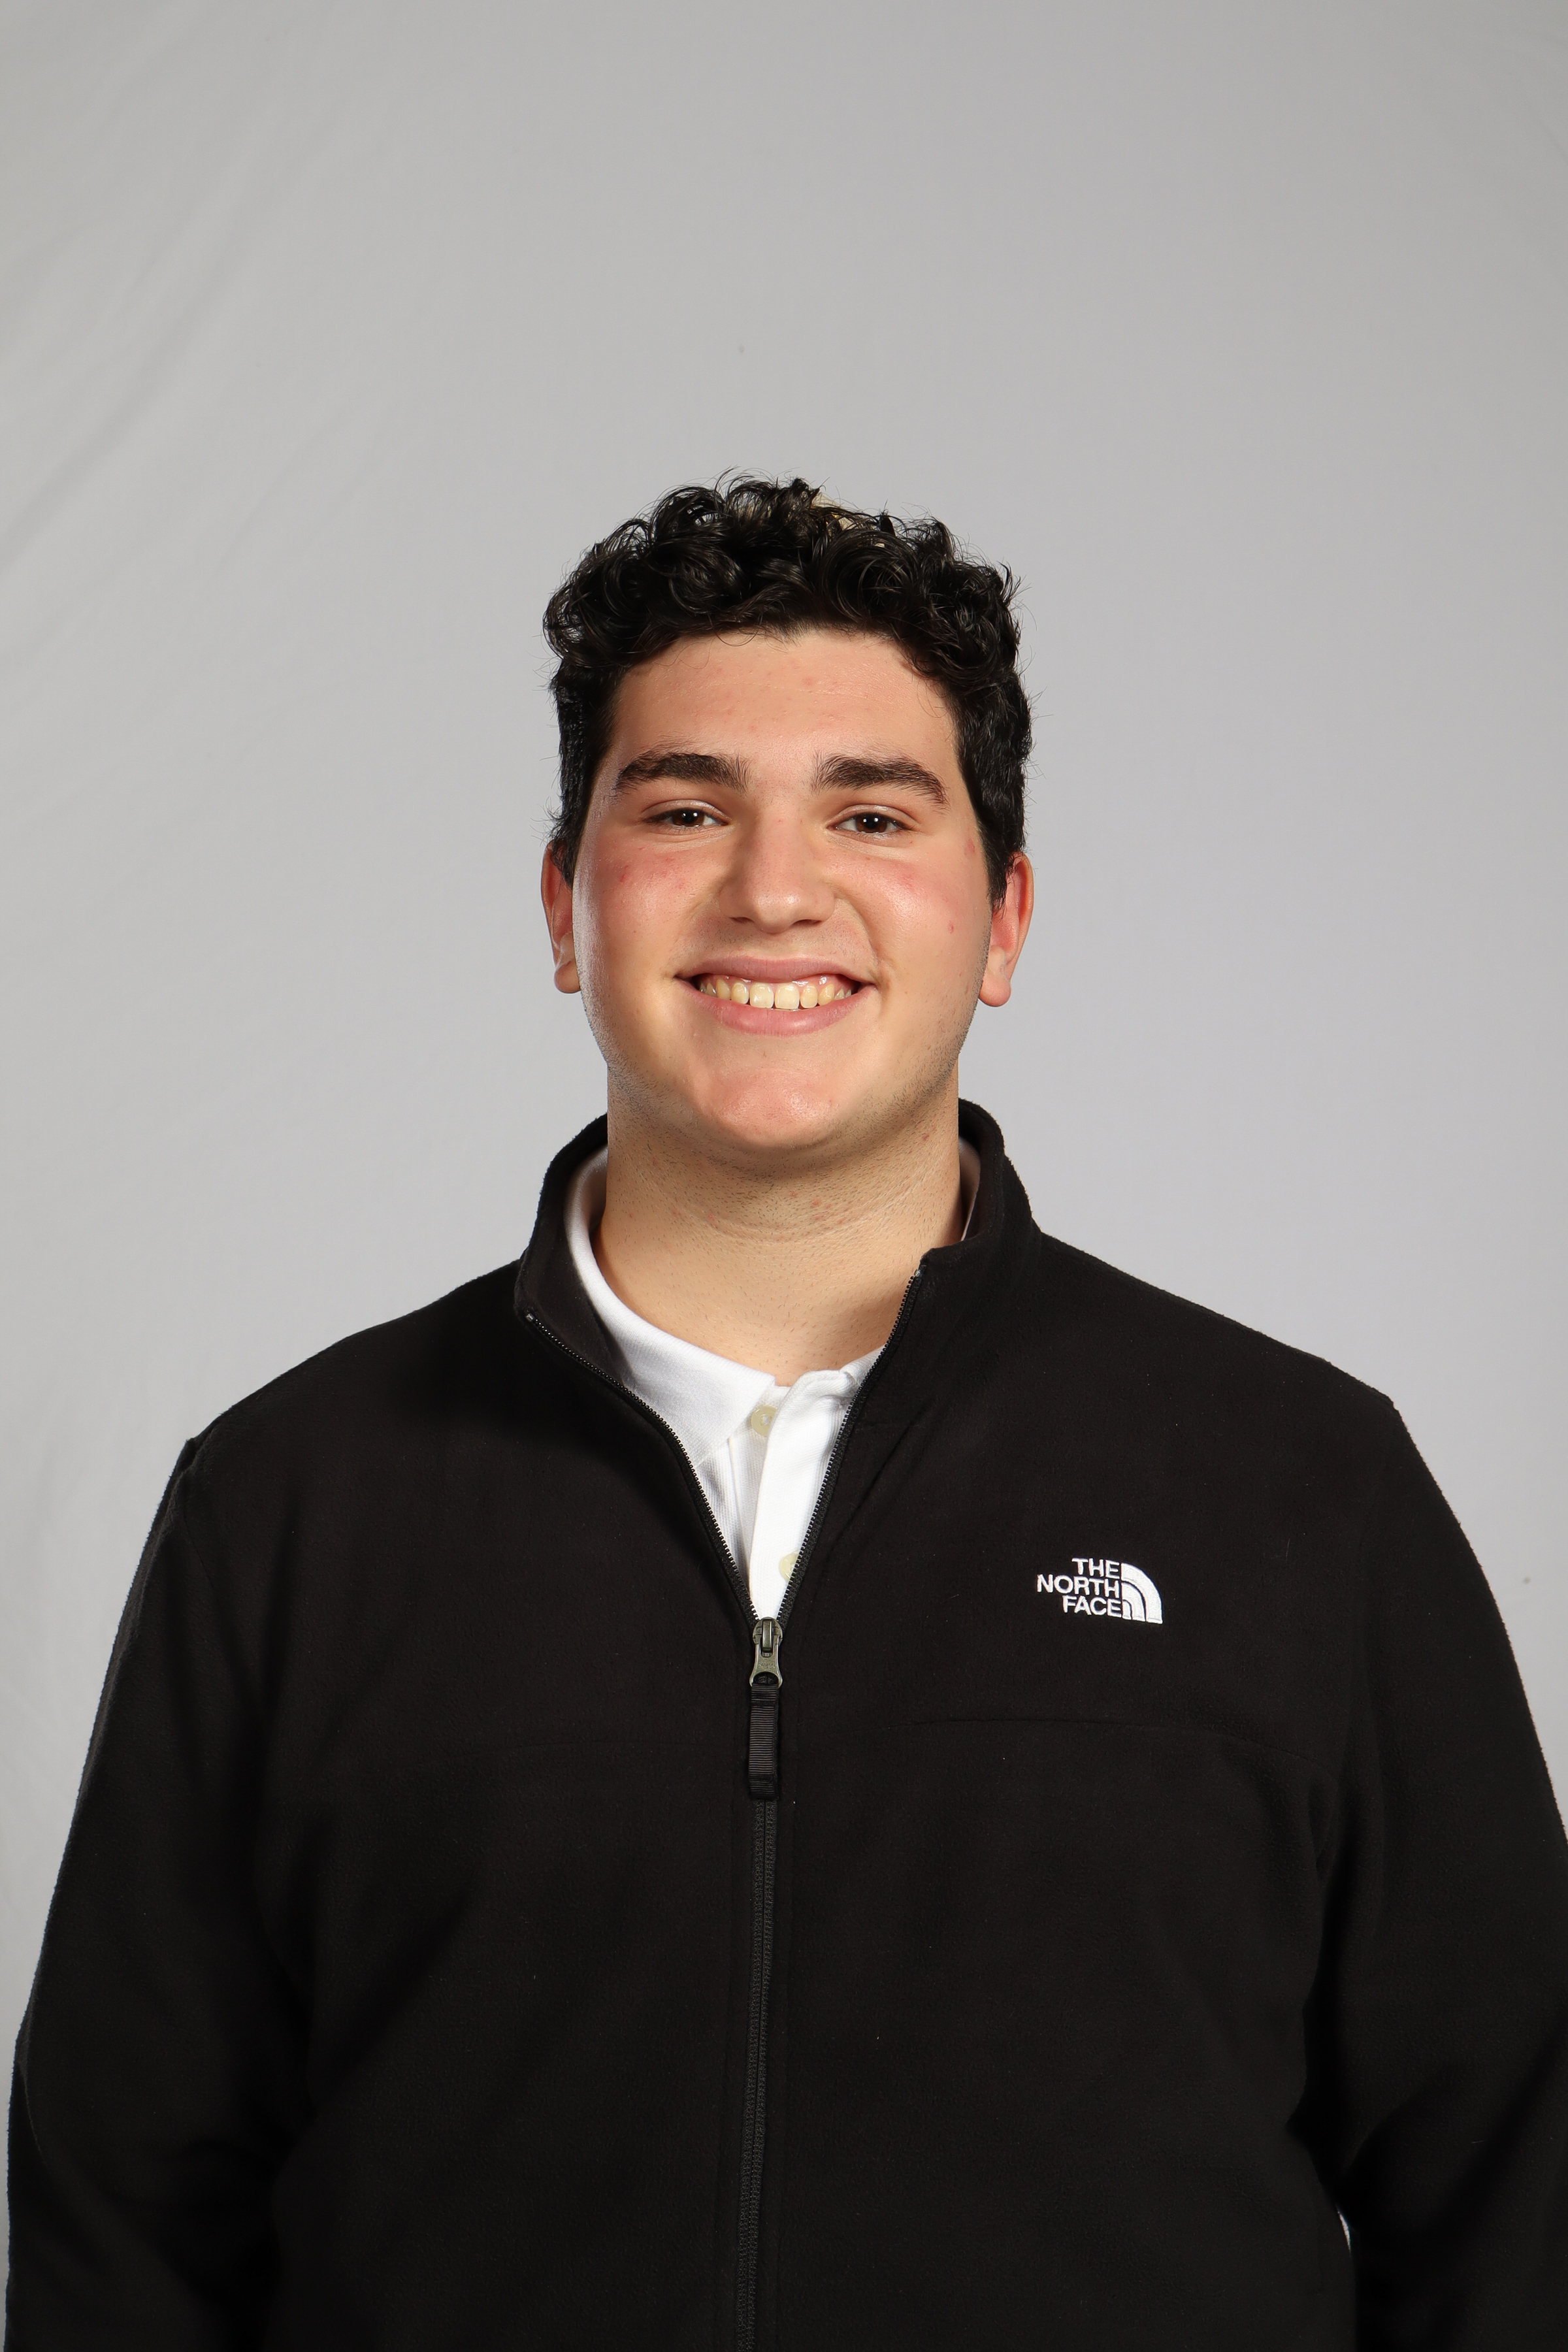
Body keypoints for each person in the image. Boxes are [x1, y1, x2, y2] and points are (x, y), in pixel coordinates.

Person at [7, 478, 1566, 2350]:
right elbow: (121, 2233)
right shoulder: (292, 1505)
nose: (772, 888)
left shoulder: (1299, 1490)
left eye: (871, 813)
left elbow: (1518, 2208)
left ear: (1004, 918)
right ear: (565, 906)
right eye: (684, 808)